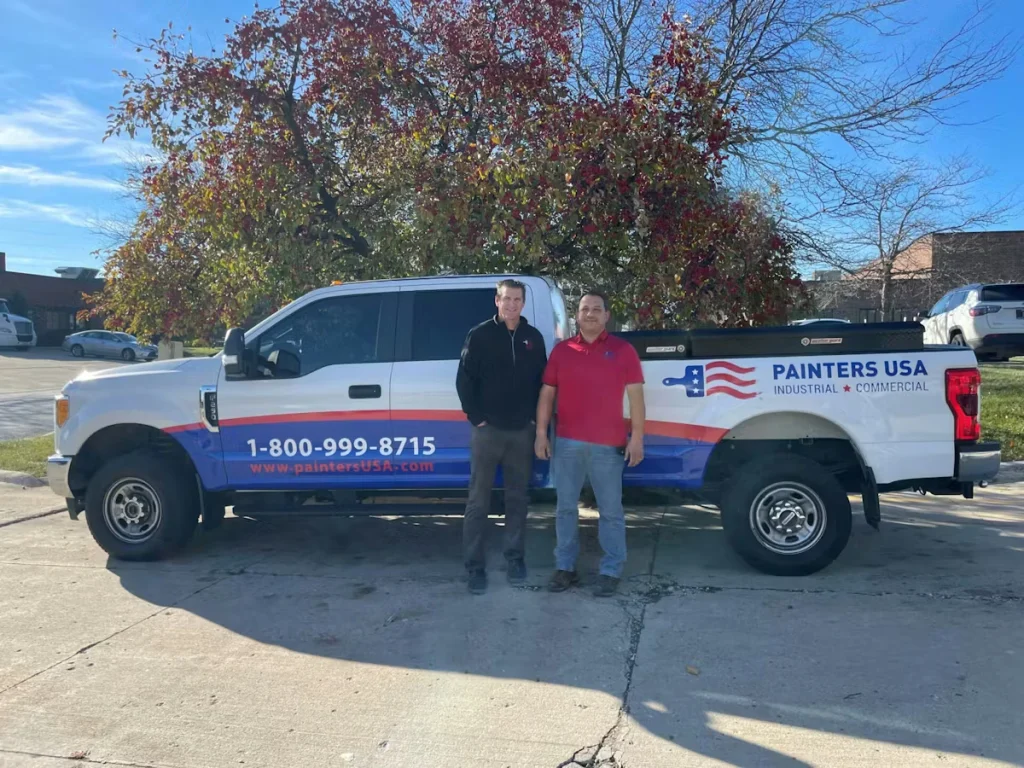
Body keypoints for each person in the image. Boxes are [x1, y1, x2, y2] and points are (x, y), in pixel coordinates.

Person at [535, 290, 645, 597]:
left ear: (607, 315)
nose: (590, 314)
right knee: (565, 509)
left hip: (608, 446)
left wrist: (637, 437)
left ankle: (611, 570)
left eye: (597, 309)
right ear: (577, 315)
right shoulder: (562, 351)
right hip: (567, 443)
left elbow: (636, 397)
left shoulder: (623, 351)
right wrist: (541, 433)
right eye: (585, 309)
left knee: (610, 511)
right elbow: (547, 393)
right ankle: (565, 567)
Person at [456, 279, 548, 594]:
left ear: (523, 303)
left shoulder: (533, 338)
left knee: (517, 499)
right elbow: (464, 380)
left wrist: (535, 421)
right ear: (497, 301)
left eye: (517, 300)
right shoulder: (479, 335)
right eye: (506, 299)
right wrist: (476, 418)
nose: (511, 305)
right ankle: (474, 567)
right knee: (478, 501)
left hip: (521, 432)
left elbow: (542, 383)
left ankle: (515, 559)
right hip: (488, 432)